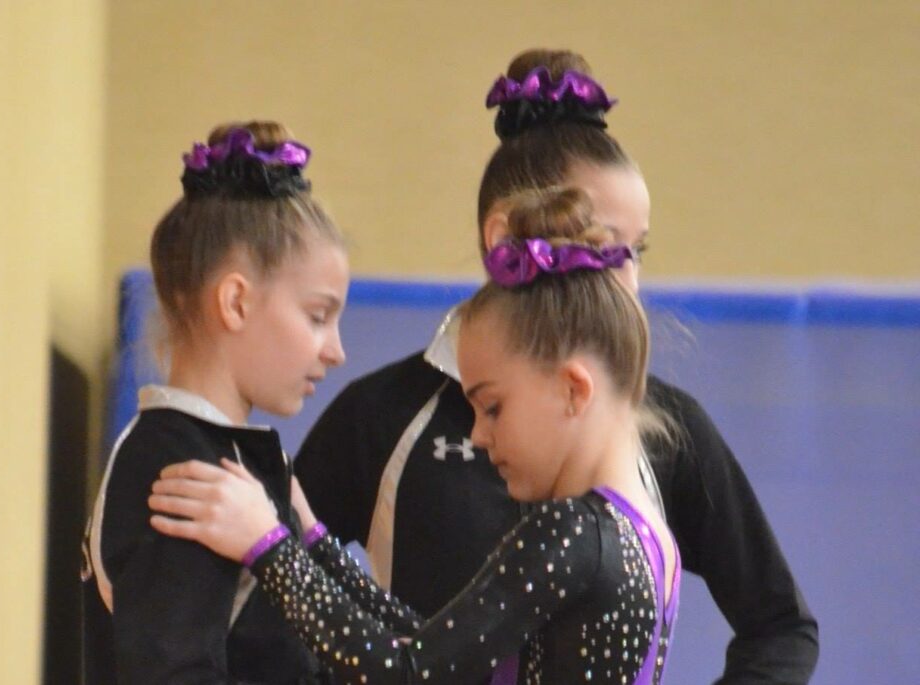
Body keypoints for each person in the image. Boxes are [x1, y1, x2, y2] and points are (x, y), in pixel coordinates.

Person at [294, 49, 819, 683]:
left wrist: (273, 549)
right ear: (507, 239)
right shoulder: (383, 415)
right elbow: (419, 646)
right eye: (595, 243)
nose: (619, 277)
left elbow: (781, 624)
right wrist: (299, 544)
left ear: (576, 391)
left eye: (634, 251)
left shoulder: (645, 448)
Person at [149, 185, 682, 684]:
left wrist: (268, 547)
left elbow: (408, 672)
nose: (476, 436)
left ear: (573, 390)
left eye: (493, 407)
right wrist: (312, 540)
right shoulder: (642, 534)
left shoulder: (569, 533)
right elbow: (438, 645)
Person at [80, 121, 349, 684]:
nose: (336, 351)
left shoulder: (230, 457)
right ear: (235, 302)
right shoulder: (180, 467)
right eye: (318, 317)